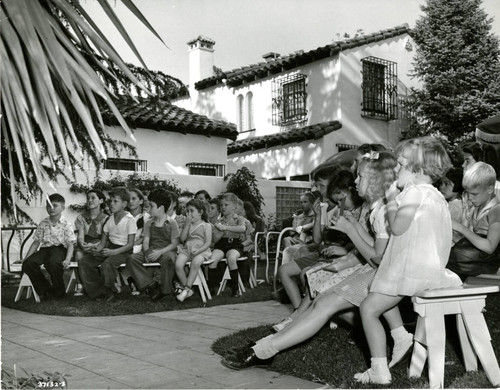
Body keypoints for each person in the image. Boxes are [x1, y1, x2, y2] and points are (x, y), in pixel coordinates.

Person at [221, 152, 412, 371]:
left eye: (359, 176)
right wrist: (355, 227)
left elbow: (378, 259)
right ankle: (264, 348)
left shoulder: (385, 209)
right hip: (376, 270)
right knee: (321, 300)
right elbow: (377, 248)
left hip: (381, 273)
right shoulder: (379, 207)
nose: (355, 180)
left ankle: (264, 350)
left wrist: (351, 230)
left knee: (322, 304)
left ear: (375, 181)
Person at [355, 137, 462, 385]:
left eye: (401, 166)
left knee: (368, 309)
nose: (396, 171)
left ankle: (379, 370)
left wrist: (391, 200)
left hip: (412, 272)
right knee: (376, 300)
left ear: (416, 171)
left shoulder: (413, 193)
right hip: (432, 270)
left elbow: (399, 227)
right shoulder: (436, 196)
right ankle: (401, 343)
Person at [278, 168, 362, 311]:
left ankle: (303, 312)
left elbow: (345, 237)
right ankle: (299, 310)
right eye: (316, 185)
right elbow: (318, 239)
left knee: (306, 272)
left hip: (338, 254)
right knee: (284, 270)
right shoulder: (326, 207)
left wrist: (342, 248)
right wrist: (318, 215)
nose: (317, 189)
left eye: (321, 185)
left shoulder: (344, 207)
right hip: (324, 251)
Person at [80, 187, 137, 301]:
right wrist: (96, 249)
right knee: (84, 261)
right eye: (110, 201)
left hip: (123, 250)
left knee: (107, 265)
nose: (111, 204)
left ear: (124, 204)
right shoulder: (109, 219)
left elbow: (130, 245)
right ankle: (98, 292)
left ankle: (111, 290)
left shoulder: (130, 220)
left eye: (115, 201)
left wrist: (113, 252)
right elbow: (102, 243)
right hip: (110, 248)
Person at [447, 162, 500, 279]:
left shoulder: (496, 210)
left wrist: (461, 228)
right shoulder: (478, 207)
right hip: (477, 260)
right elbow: (472, 242)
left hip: (489, 264)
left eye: (474, 194)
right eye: (468, 193)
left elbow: (490, 247)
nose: (470, 198)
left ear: (490, 189)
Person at [126, 189, 180, 301]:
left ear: (161, 208)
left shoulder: (171, 223)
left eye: (151, 206)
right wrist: (147, 252)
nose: (148, 209)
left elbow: (174, 243)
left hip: (166, 251)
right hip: (152, 249)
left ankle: (165, 290)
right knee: (132, 259)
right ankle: (150, 285)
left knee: (168, 259)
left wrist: (160, 252)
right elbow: (145, 241)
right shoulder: (149, 223)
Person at [21, 194, 76, 300]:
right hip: (45, 249)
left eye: (55, 206)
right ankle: (46, 290)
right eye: (48, 206)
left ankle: (59, 291)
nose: (51, 208)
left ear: (63, 208)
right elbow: (36, 243)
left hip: (60, 249)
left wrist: (68, 259)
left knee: (53, 263)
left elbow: (70, 244)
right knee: (28, 264)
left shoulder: (66, 224)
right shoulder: (43, 223)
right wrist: (26, 258)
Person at [207, 192, 246, 297]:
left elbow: (242, 228)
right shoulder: (219, 220)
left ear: (234, 206)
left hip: (234, 244)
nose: (223, 207)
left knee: (232, 258)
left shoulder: (238, 219)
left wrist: (226, 227)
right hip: (221, 244)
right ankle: (211, 288)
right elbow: (215, 239)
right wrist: (220, 231)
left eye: (226, 205)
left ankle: (235, 288)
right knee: (212, 260)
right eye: (221, 205)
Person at [175, 199, 212, 302]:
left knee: (196, 262)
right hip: (187, 249)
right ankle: (188, 288)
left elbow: (208, 242)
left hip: (201, 250)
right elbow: (182, 239)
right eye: (187, 211)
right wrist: (186, 225)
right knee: (178, 264)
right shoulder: (188, 224)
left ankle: (186, 289)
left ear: (200, 212)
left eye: (191, 211)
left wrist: (199, 250)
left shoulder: (206, 225)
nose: (189, 214)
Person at [74, 189, 108, 262]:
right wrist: (82, 244)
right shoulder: (81, 218)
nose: (90, 200)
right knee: (78, 255)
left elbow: (105, 239)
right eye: (88, 198)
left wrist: (94, 245)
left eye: (93, 198)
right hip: (85, 244)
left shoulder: (106, 218)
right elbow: (80, 236)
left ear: (101, 201)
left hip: (100, 244)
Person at [436, 167, 465, 244]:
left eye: (447, 184)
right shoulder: (452, 204)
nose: (441, 187)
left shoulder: (455, 207)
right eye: (440, 183)